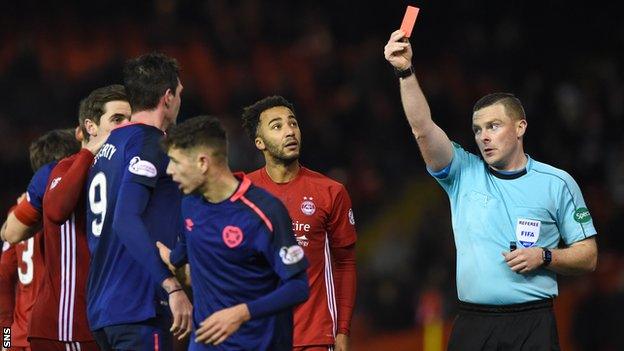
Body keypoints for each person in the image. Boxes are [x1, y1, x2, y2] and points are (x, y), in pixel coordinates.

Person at [384, 29, 598, 350]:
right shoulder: (463, 172)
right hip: (474, 323)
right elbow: (423, 128)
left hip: (534, 322)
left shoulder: (557, 182)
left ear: (520, 127)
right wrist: (406, 72)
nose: (483, 136)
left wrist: (545, 255)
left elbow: (589, 257)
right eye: (478, 129)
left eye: (493, 126)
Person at [157, 115, 310, 350]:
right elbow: (186, 250)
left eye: (175, 162)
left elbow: (298, 287)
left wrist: (241, 313)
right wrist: (169, 259)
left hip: (257, 343)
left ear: (202, 162)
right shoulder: (189, 204)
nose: (169, 170)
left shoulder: (264, 212)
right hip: (205, 343)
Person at [85, 53, 192, 351]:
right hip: (138, 302)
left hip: (105, 306)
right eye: (180, 94)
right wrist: (170, 286)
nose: (180, 101)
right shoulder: (150, 143)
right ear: (168, 97)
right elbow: (125, 219)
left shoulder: (110, 146)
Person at [242, 96, 357, 351]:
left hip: (314, 337)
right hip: (260, 337)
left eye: (293, 123)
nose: (290, 131)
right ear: (259, 143)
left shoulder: (330, 192)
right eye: (277, 126)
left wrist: (343, 330)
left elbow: (345, 264)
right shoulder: (243, 194)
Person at [28, 84, 130, 351]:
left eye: (131, 119)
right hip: (64, 325)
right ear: (89, 127)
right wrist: (5, 339)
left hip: (104, 320)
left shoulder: (128, 173)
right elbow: (12, 232)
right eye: (118, 119)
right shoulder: (60, 170)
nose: (126, 126)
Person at [1, 129, 80, 351]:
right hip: (55, 333)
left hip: (18, 339)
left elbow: (3, 278)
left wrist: (5, 340)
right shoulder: (67, 215)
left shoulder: (16, 216)